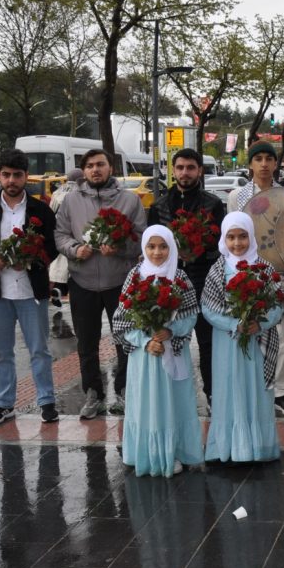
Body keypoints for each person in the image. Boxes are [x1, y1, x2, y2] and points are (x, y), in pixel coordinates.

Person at [0, 149, 60, 426]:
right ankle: (4, 404)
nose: (11, 180)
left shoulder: (40, 210)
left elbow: (52, 245)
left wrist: (32, 260)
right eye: (6, 175)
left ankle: (47, 401)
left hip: (31, 292)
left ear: (26, 176)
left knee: (39, 350)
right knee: (1, 352)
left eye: (17, 175)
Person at [54, 148, 147, 419]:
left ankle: (125, 390)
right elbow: (60, 234)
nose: (95, 169)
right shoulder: (71, 200)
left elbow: (142, 238)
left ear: (110, 168)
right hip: (82, 282)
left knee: (125, 340)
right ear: (84, 171)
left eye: (100, 164)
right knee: (86, 343)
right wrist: (74, 249)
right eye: (90, 165)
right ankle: (93, 393)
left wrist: (120, 247)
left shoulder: (129, 200)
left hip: (120, 282)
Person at [111, 226, 203, 477]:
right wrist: (144, 341)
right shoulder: (135, 275)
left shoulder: (179, 277)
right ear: (144, 248)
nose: (157, 252)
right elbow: (122, 320)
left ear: (171, 247)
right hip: (145, 356)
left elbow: (190, 315)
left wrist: (170, 331)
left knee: (174, 402)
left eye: (163, 246)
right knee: (147, 403)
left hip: (172, 352)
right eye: (151, 246)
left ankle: (174, 451)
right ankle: (146, 453)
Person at [201, 212, 284, 463]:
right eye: (231, 237)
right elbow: (208, 308)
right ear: (223, 239)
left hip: (257, 341)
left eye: (242, 236)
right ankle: (228, 447)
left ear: (251, 236)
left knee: (255, 388)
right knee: (229, 388)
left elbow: (278, 305)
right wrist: (234, 324)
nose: (237, 243)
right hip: (227, 342)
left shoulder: (264, 268)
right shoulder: (218, 269)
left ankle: (258, 447)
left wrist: (259, 323)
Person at [148, 147, 226, 409]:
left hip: (203, 281)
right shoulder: (159, 206)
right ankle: (170, 397)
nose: (185, 173)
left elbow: (221, 246)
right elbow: (150, 246)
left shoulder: (212, 204)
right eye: (180, 167)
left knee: (207, 342)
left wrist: (197, 250)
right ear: (173, 170)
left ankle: (213, 394)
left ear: (200, 171)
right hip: (168, 285)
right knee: (169, 338)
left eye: (190, 168)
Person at [230, 141, 284, 417]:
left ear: (275, 163)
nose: (263, 164)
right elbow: (231, 234)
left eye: (268, 159)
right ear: (250, 164)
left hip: (278, 273)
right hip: (245, 275)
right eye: (257, 158)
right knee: (247, 329)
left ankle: (282, 391)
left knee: (281, 334)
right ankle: (252, 386)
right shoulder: (237, 197)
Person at [47, 168, 82, 306]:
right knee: (74, 264)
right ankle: (71, 292)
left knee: (58, 263)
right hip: (76, 232)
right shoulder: (81, 192)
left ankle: (58, 289)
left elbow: (51, 211)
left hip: (59, 231)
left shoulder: (57, 192)